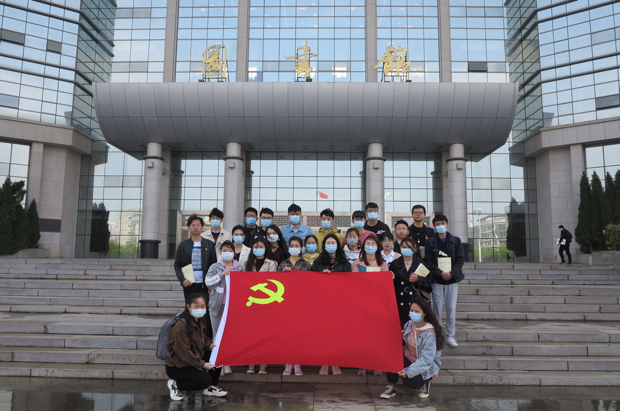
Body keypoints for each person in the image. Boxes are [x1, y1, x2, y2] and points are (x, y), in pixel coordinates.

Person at [165, 293, 227, 401]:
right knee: (204, 380)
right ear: (188, 306)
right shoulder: (180, 327)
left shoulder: (199, 320)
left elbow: (203, 337)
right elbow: (185, 353)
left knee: (217, 354)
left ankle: (211, 387)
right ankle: (175, 384)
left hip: (194, 357)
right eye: (196, 306)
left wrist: (210, 345)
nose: (200, 309)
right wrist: (202, 364)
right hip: (178, 366)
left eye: (203, 306)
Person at [380, 298, 443, 400]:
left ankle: (425, 382)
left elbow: (426, 360)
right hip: (409, 358)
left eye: (416, 311)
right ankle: (391, 386)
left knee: (410, 382)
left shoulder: (430, 333)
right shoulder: (409, 324)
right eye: (411, 310)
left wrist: (408, 371)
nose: (413, 313)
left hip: (424, 366)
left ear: (424, 313)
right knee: (391, 357)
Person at [311, 233, 351, 376]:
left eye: (333, 243)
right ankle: (324, 363)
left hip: (339, 304)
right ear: (324, 246)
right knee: (323, 334)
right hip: (322, 303)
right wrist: (322, 276)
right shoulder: (318, 262)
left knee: (337, 334)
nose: (330, 245)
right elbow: (310, 280)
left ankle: (335, 363)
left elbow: (350, 283)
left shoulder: (345, 263)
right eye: (327, 243)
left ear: (338, 245)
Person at [423, 214, 464, 348]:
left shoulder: (456, 241)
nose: (440, 226)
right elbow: (428, 260)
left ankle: (450, 335)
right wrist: (440, 272)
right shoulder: (430, 242)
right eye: (437, 224)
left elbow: (460, 259)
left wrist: (452, 273)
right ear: (434, 227)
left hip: (452, 279)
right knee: (437, 309)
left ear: (447, 224)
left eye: (442, 223)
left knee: (451, 308)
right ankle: (438, 334)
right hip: (437, 279)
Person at [351, 233, 389, 377]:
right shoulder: (357, 263)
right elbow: (354, 283)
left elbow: (385, 286)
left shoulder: (383, 264)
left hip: (377, 305)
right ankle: (362, 365)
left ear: (378, 247)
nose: (370, 246)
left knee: (376, 336)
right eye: (368, 244)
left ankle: (375, 365)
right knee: (362, 336)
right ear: (363, 246)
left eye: (373, 244)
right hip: (361, 305)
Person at [204, 241, 240, 375]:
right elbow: (208, 282)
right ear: (220, 252)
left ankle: (227, 363)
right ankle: (218, 363)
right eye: (224, 250)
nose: (227, 253)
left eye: (230, 250)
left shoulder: (239, 267)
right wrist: (222, 274)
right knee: (217, 334)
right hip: (217, 306)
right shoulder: (215, 267)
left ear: (234, 253)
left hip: (233, 307)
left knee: (230, 335)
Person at [278, 236, 311, 377]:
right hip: (285, 303)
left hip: (301, 304)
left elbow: (310, 284)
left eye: (297, 245)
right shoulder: (282, 264)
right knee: (286, 333)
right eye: (292, 245)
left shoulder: (307, 265)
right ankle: (288, 363)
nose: (294, 248)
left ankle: (297, 362)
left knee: (298, 334)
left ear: (301, 248)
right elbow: (276, 283)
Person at [244, 238, 277, 375]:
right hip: (251, 303)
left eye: (261, 246)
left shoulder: (272, 263)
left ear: (266, 248)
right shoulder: (247, 263)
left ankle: (263, 364)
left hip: (267, 302)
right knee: (251, 333)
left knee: (265, 334)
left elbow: (272, 281)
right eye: (256, 246)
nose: (258, 248)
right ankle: (251, 363)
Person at [389, 238, 433, 327]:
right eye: (404, 247)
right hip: (400, 300)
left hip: (415, 299)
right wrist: (392, 279)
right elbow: (390, 285)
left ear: (414, 248)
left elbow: (429, 282)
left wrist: (418, 279)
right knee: (401, 325)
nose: (406, 249)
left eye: (409, 247)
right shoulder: (394, 264)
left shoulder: (421, 264)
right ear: (400, 248)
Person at [174, 214, 217, 301]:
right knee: (190, 307)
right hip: (189, 283)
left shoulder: (209, 244)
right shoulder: (183, 245)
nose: (196, 227)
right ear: (189, 228)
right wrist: (182, 280)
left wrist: (212, 283)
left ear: (202, 227)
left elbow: (214, 265)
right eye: (193, 225)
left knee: (205, 307)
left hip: (205, 284)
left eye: (198, 225)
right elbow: (177, 265)